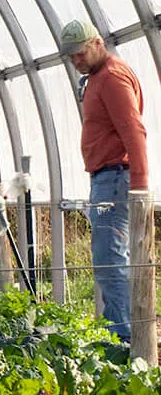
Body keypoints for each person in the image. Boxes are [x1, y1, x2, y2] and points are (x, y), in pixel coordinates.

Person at [60, 18, 148, 342]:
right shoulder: (96, 77)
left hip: (114, 179)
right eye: (70, 57)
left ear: (98, 43)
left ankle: (124, 341)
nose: (76, 61)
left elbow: (133, 130)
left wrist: (139, 185)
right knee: (109, 261)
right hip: (106, 178)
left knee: (110, 262)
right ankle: (122, 335)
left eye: (80, 54)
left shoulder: (111, 77)